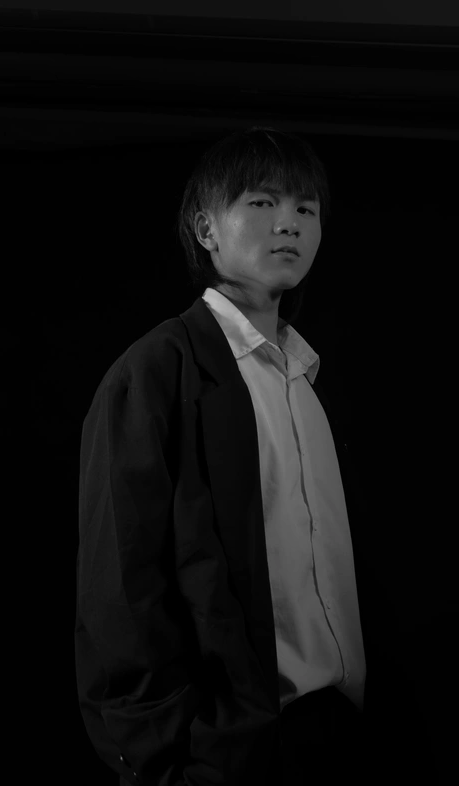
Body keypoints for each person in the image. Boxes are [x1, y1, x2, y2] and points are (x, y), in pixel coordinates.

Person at [75, 127, 405, 785]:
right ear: (206, 228)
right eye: (262, 202)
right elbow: (122, 590)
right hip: (235, 752)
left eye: (306, 208)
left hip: (344, 737)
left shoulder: (307, 380)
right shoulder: (157, 372)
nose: (289, 223)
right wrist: (171, 761)